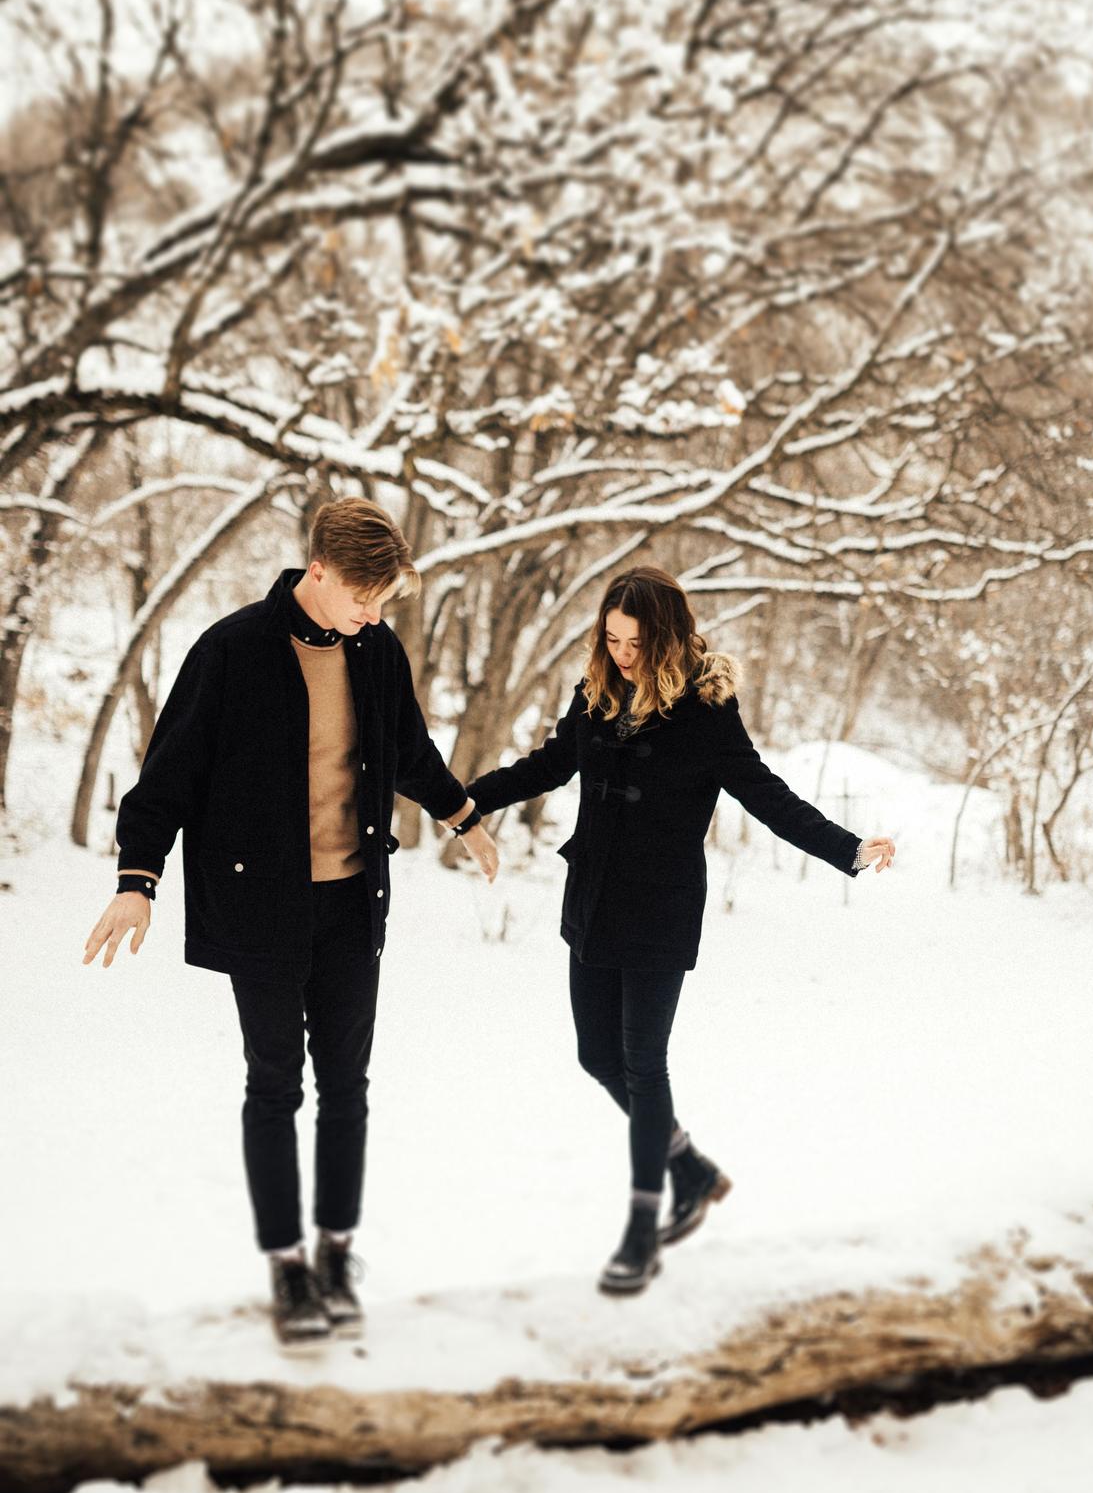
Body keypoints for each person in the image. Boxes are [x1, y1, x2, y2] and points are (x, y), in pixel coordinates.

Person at [83, 498, 499, 1345]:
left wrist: (464, 816)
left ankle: (336, 1253)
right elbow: (169, 775)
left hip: (352, 902)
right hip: (262, 909)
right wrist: (137, 878)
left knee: (347, 1086)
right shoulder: (231, 651)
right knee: (274, 1084)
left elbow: (408, 749)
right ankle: (287, 1264)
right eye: (363, 598)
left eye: (382, 602)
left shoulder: (376, 651)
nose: (373, 615)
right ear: (319, 570)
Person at [466, 565, 894, 1297]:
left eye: (635, 642)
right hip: (592, 899)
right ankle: (691, 1169)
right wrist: (461, 801)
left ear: (666, 637)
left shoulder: (705, 709)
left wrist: (846, 848)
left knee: (642, 1063)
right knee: (596, 1055)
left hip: (659, 910)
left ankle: (642, 1228)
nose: (622, 653)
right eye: (611, 639)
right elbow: (549, 765)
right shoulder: (596, 691)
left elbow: (766, 795)